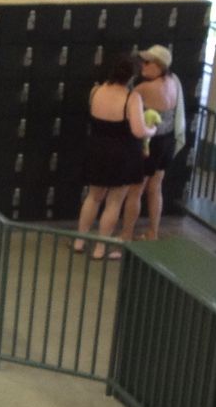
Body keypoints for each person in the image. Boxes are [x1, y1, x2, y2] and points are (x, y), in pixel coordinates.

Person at [74, 55, 151, 259]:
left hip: (97, 149)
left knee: (93, 197)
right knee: (114, 202)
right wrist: (151, 130)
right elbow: (138, 130)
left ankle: (79, 240)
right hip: (122, 154)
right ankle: (100, 248)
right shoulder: (131, 98)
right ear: (132, 76)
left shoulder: (96, 91)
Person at [133, 44, 187, 242]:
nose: (143, 66)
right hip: (168, 142)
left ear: (159, 66)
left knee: (136, 191)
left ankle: (126, 234)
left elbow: (127, 103)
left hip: (150, 145)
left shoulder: (144, 88)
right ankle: (152, 232)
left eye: (147, 62)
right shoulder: (174, 82)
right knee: (155, 188)